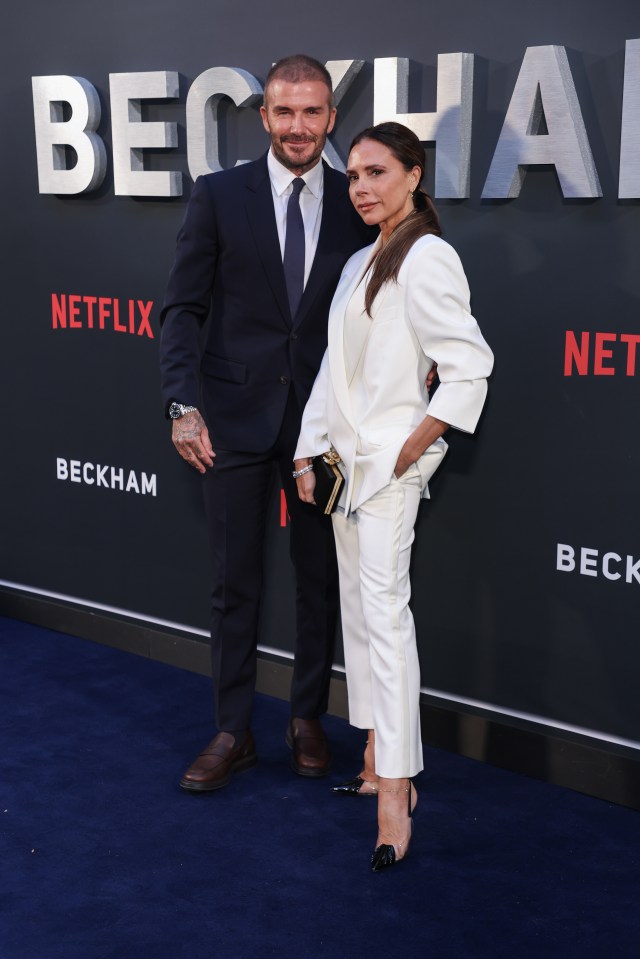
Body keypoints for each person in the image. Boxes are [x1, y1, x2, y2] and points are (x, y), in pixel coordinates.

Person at [159, 55, 375, 791]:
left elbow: (389, 303)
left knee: (319, 581)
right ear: (264, 118)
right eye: (285, 112)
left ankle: (307, 716)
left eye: (312, 112)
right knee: (234, 580)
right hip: (232, 420)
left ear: (330, 119)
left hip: (323, 427)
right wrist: (182, 404)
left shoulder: (358, 201)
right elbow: (181, 309)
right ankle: (232, 729)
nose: (298, 126)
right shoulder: (219, 196)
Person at [294, 122, 494, 870]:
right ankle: (377, 753)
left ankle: (396, 789)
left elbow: (469, 366)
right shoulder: (358, 261)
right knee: (360, 611)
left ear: (414, 175)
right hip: (344, 470)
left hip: (386, 470)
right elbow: (330, 373)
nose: (363, 187)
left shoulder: (429, 256)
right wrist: (306, 451)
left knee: (385, 618)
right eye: (353, 177)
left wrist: (413, 444)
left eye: (378, 172)